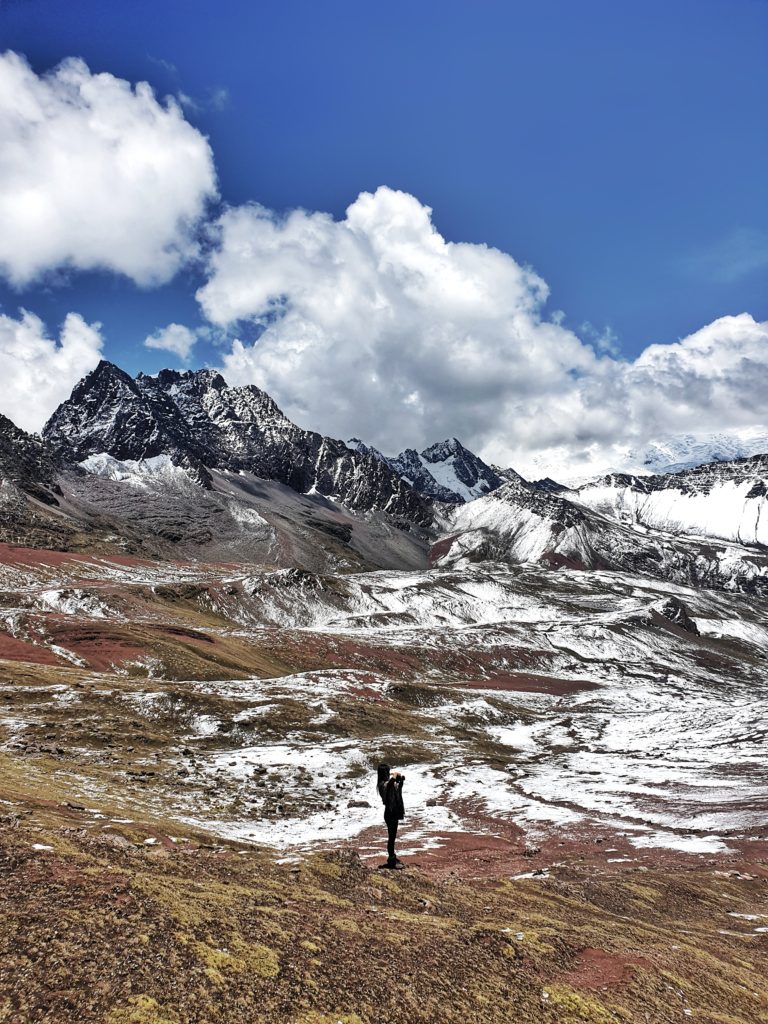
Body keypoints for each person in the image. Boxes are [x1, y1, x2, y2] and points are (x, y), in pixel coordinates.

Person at [376, 763, 405, 868]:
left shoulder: (387, 783)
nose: (388, 774)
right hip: (390, 813)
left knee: (393, 836)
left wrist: (400, 781)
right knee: (391, 837)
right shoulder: (381, 784)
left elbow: (397, 790)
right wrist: (394, 778)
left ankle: (392, 857)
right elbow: (388, 786)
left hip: (393, 812)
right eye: (387, 772)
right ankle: (391, 860)